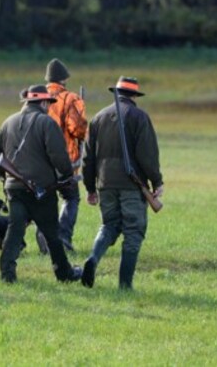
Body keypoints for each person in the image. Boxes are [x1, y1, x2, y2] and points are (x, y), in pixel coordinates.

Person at [81, 76, 163, 290]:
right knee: (133, 232)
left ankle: (93, 259)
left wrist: (90, 188)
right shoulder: (139, 117)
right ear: (134, 95)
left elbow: (88, 158)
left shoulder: (98, 117)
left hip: (105, 182)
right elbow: (148, 155)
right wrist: (156, 181)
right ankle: (125, 286)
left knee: (109, 226)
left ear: (116, 93)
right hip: (131, 185)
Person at [0, 85, 82, 284]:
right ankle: (64, 274)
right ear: (43, 102)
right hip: (41, 190)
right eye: (48, 103)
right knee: (52, 234)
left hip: (14, 188)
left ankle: (7, 275)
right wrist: (67, 176)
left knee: (15, 230)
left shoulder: (7, 122)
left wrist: (8, 182)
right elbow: (59, 157)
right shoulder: (46, 123)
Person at [44, 58, 87, 251]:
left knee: (44, 200)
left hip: (40, 161)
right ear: (64, 79)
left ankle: (45, 240)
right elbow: (77, 128)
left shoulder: (37, 96)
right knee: (71, 198)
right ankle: (63, 238)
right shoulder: (71, 98)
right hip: (66, 161)